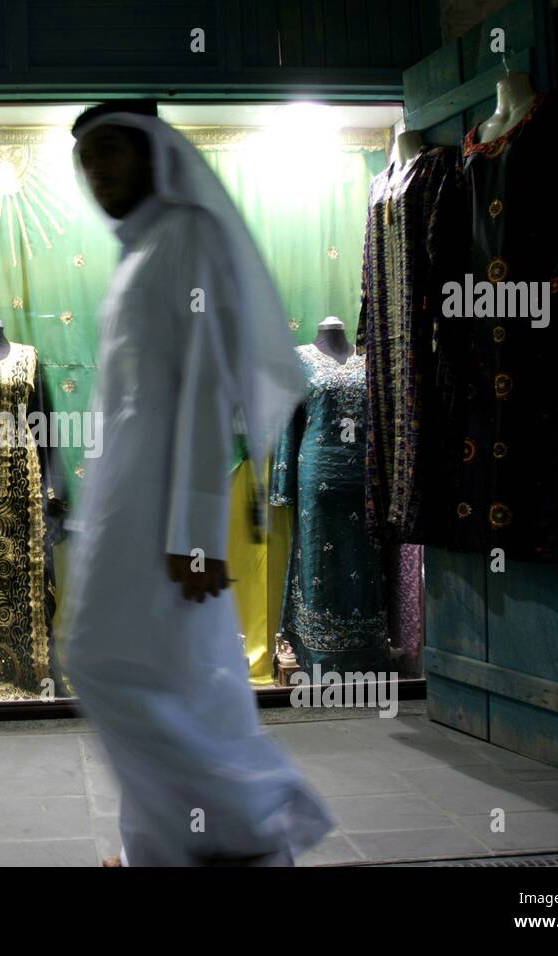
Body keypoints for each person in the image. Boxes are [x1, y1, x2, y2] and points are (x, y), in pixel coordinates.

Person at [63, 100, 334, 866]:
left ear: (154, 155)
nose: (98, 172)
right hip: (127, 491)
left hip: (160, 501)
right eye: (87, 160)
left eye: (112, 152)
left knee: (104, 660)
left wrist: (195, 531)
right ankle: (168, 842)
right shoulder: (144, 249)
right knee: (170, 672)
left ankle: (252, 814)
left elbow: (208, 389)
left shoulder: (189, 235)